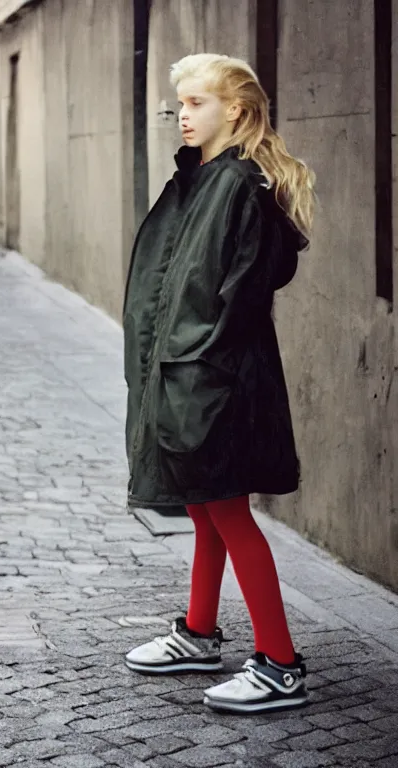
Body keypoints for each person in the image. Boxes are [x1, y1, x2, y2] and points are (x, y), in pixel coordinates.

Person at [122, 53, 315, 714]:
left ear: (234, 108)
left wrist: (195, 360)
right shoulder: (203, 178)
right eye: (180, 102)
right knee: (204, 504)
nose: (184, 113)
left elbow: (237, 296)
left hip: (216, 375)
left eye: (198, 101)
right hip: (187, 371)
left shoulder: (239, 184)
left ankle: (281, 663)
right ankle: (200, 632)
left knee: (227, 508)